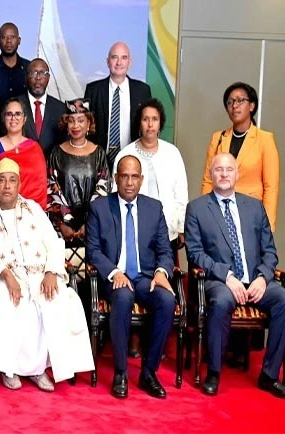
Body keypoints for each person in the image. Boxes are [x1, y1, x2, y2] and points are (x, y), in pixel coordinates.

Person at [0, 158, 94, 391]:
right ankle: (10, 368)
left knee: (54, 300)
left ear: (19, 184)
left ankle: (37, 369)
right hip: (5, 276)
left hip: (40, 275)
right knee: (11, 302)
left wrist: (51, 272)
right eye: (1, 180)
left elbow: (54, 241)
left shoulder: (33, 209)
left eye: (12, 180)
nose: (7, 186)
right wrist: (7, 276)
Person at [186, 152, 285, 398]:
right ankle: (214, 373)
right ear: (211, 174)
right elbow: (195, 253)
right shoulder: (197, 208)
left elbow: (270, 251)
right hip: (220, 280)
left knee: (283, 298)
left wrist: (263, 277)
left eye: (229, 170)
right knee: (220, 302)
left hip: (255, 280)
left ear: (237, 173)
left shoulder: (254, 206)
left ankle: (269, 375)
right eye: (218, 169)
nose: (224, 174)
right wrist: (227, 276)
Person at [86, 155, 176, 399]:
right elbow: (93, 251)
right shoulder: (100, 208)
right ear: (116, 178)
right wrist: (115, 273)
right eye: (124, 176)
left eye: (134, 176)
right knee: (123, 296)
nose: (129, 182)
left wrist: (161, 272)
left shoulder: (153, 208)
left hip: (146, 277)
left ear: (141, 180)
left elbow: (165, 250)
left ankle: (149, 372)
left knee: (167, 300)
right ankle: (121, 372)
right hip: (114, 278)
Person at [199, 82, 279, 232]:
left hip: (251, 215)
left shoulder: (265, 139)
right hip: (220, 213)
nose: (235, 105)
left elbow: (271, 187)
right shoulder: (218, 138)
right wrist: (206, 215)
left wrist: (267, 226)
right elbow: (208, 180)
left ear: (252, 106)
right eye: (230, 102)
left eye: (240, 100)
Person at [113, 99, 187, 250]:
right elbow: (116, 192)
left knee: (165, 270)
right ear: (139, 123)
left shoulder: (172, 152)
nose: (150, 124)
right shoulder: (126, 154)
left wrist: (181, 227)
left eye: (155, 119)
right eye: (145, 119)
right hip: (133, 230)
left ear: (161, 123)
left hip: (167, 230)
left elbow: (181, 193)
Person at [47, 99, 110, 244]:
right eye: (71, 121)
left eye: (81, 120)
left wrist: (89, 223)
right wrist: (63, 223)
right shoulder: (56, 152)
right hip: (62, 229)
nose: (76, 126)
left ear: (89, 123)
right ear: (66, 124)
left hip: (93, 227)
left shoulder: (98, 153)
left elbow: (103, 189)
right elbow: (51, 189)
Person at [84, 42, 152, 167]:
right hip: (98, 162)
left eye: (124, 58)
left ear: (129, 62)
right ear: (107, 61)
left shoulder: (143, 91)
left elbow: (148, 126)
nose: (119, 62)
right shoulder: (93, 90)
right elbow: (87, 128)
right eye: (114, 57)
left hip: (133, 161)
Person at [0, 97, 47, 208]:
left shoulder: (34, 147)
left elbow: (40, 185)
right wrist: (11, 206)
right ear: (4, 118)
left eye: (18, 114)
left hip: (31, 212)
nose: (13, 118)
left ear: (24, 119)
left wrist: (25, 208)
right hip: (2, 209)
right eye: (9, 114)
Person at [17, 58, 67, 158]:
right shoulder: (15, 105)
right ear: (26, 77)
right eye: (33, 73)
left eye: (43, 73)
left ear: (48, 77)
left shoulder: (60, 108)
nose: (38, 77)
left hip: (51, 168)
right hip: (21, 166)